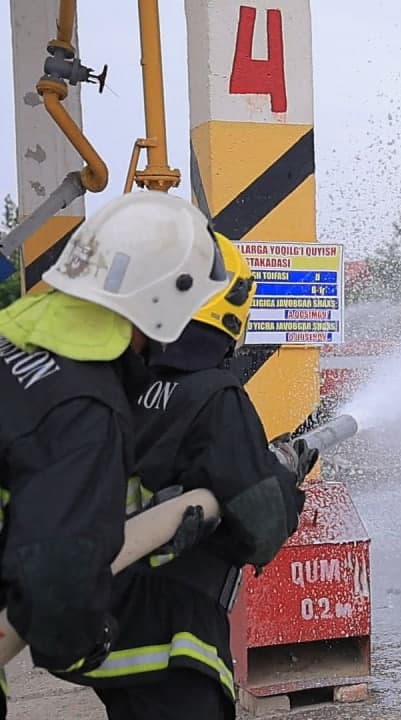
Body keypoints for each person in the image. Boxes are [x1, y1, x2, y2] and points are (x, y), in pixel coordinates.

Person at [58, 234, 312, 720]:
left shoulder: (118, 391)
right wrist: (283, 482)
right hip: (177, 636)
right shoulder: (214, 395)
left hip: (115, 629)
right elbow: (260, 529)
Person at [0, 191, 230, 717]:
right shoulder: (86, 406)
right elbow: (57, 575)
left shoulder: (13, 339)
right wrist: (87, 636)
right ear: (163, 303)